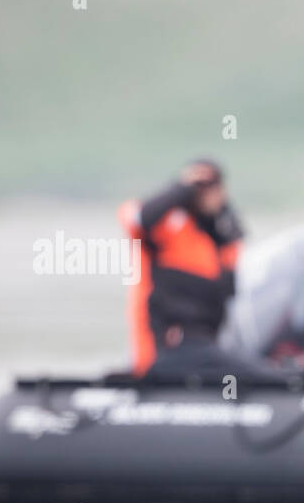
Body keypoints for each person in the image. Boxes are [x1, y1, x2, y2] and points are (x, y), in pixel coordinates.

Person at [118, 160, 281, 381]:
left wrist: (224, 210)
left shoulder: (214, 242)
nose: (210, 193)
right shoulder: (166, 229)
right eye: (202, 186)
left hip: (205, 348)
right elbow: (138, 218)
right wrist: (183, 187)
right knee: (256, 375)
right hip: (166, 350)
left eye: (215, 187)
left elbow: (233, 269)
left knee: (258, 367)